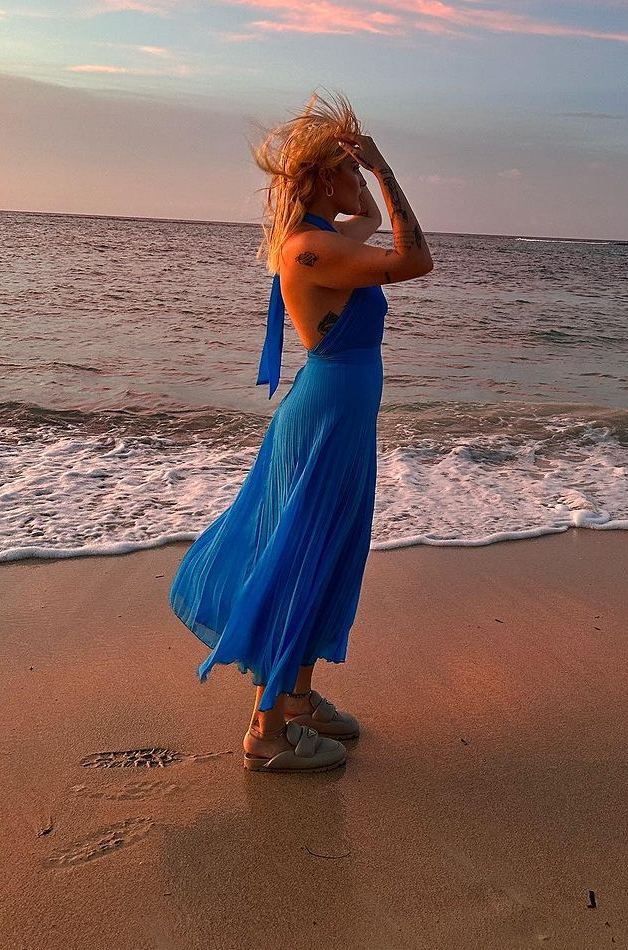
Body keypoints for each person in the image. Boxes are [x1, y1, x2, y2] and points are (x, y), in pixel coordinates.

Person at [168, 89, 434, 773]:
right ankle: (266, 731)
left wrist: (366, 172)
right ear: (323, 177)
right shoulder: (313, 249)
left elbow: (374, 221)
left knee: (331, 551)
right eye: (343, 165)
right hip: (321, 422)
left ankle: (299, 700)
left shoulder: (328, 237)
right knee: (297, 557)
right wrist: (384, 167)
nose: (356, 176)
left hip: (341, 418)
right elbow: (415, 258)